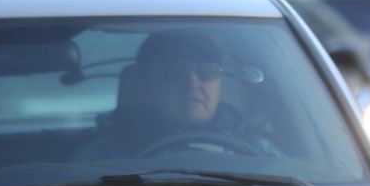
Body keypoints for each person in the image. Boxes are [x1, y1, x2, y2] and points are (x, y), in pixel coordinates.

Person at [87, 32, 263, 157]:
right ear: (147, 86)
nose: (193, 84)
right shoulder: (106, 157)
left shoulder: (256, 149)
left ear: (220, 83)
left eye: (207, 72)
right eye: (175, 74)